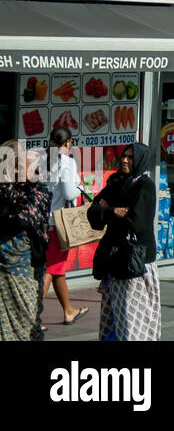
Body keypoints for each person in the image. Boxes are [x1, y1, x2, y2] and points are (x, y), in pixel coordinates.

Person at [87, 142, 161, 341]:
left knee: (133, 321)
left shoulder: (145, 186)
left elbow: (137, 222)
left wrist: (108, 211)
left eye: (130, 157)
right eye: (124, 156)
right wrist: (114, 211)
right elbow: (93, 213)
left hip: (134, 263)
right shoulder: (116, 180)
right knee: (112, 320)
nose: (125, 160)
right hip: (114, 261)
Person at [0, 140, 53, 341]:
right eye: (19, 165)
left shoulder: (39, 191)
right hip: (6, 266)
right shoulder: (9, 189)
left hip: (27, 266)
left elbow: (23, 220)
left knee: (28, 320)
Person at [43, 127, 89, 325]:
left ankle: (68, 310)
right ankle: (31, 316)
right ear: (68, 142)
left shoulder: (43, 159)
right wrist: (81, 187)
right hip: (58, 223)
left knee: (57, 268)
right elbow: (70, 193)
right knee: (51, 268)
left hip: (43, 221)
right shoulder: (67, 162)